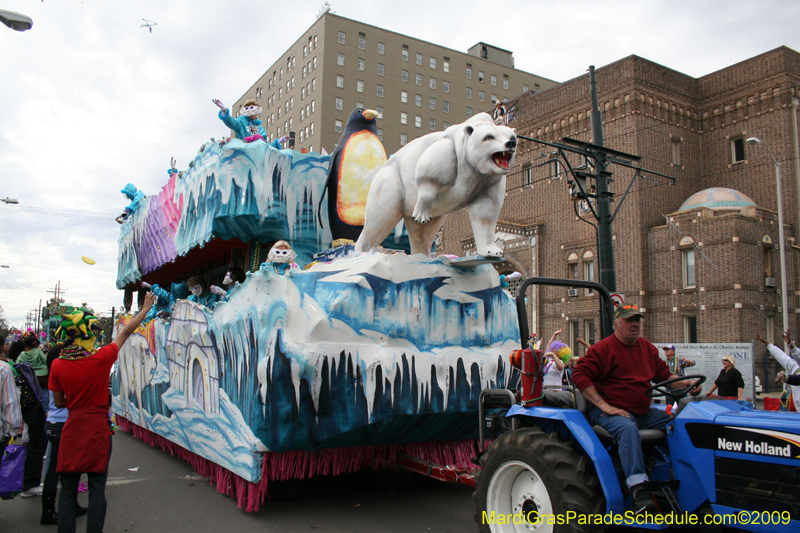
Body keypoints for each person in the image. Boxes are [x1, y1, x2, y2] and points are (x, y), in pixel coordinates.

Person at [49, 293, 155, 533]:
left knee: (67, 490)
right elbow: (126, 333)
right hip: (97, 431)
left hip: (72, 430)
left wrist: (77, 400)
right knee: (97, 489)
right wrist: (145, 309)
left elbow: (58, 403)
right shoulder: (101, 358)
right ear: (89, 332)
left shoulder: (57, 364)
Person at [572, 303, 688, 514]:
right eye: (628, 320)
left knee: (681, 420)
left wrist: (685, 383)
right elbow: (579, 375)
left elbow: (664, 376)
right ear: (616, 324)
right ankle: (639, 492)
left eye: (637, 320)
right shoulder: (603, 349)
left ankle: (682, 476)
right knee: (627, 428)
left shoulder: (647, 348)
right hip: (609, 413)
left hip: (642, 412)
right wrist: (605, 406)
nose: (634, 325)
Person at [755, 333, 799, 411]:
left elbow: (797, 379)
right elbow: (781, 356)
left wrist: (786, 377)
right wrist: (766, 342)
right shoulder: (794, 366)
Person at [542, 330, 574, 407]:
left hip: (555, 393)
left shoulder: (559, 362)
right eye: (552, 348)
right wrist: (554, 334)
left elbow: (561, 367)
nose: (552, 349)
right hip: (546, 391)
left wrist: (553, 354)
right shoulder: (550, 360)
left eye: (554, 348)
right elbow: (548, 346)